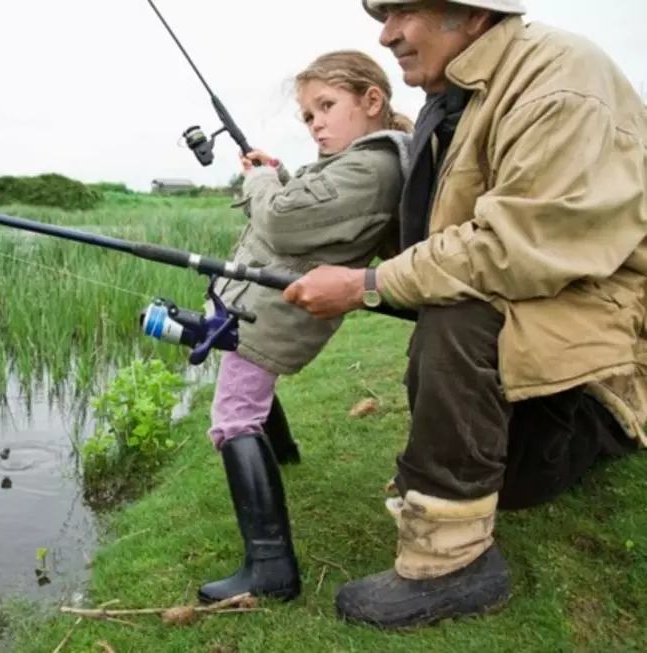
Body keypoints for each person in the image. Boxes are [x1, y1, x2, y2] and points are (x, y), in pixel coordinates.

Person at [282, 0, 647, 630]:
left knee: (459, 319)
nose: (386, 32)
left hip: (601, 338)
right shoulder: (457, 96)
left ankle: (451, 564)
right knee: (520, 482)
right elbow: (438, 234)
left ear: (473, 15)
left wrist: (367, 284)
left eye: (404, 10)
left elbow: (514, 246)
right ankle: (490, 475)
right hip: (547, 321)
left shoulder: (559, 80)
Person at [196, 49, 414, 605]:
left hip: (272, 312)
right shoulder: (362, 161)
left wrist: (263, 182)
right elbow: (315, 211)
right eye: (307, 114)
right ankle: (284, 454)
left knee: (232, 418)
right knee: (248, 391)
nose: (315, 121)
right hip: (259, 308)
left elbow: (283, 220)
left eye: (326, 105)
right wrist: (279, 174)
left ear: (372, 101)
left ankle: (270, 569)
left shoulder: (372, 166)